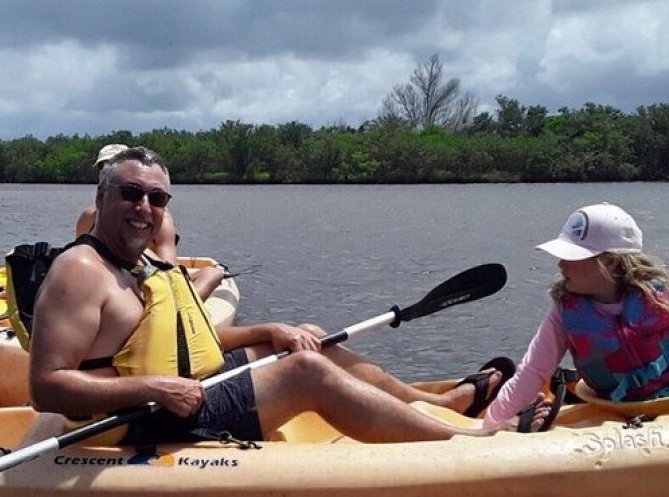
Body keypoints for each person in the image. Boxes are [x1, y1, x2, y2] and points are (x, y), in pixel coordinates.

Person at [28, 147, 551, 445]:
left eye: (157, 198)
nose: (145, 207)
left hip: (175, 388)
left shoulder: (139, 261)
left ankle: (440, 404)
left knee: (310, 343)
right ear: (101, 199)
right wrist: (159, 388)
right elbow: (47, 388)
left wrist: (270, 330)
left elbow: (184, 342)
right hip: (138, 419)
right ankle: (459, 444)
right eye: (131, 194)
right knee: (307, 373)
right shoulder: (80, 270)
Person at [484, 202, 669, 429]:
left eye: (572, 257)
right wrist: (492, 425)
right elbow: (532, 371)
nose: (561, 264)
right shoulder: (565, 311)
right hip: (609, 410)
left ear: (610, 262)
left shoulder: (660, 299)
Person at [75, 144, 225, 300]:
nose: (105, 170)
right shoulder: (87, 217)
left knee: (210, 275)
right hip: (112, 280)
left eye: (113, 163)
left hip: (149, 280)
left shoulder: (162, 221)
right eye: (102, 166)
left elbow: (168, 272)